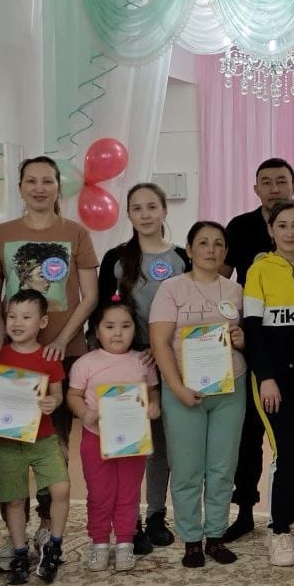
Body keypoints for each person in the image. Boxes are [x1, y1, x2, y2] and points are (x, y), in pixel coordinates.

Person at [0, 156, 98, 557]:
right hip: (14, 359)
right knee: (11, 442)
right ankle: (14, 533)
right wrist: (0, 337)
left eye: (47, 181)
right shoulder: (2, 233)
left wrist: (63, 339)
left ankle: (48, 525)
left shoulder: (76, 233)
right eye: (31, 181)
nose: (39, 188)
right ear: (20, 187)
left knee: (55, 444)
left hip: (62, 356)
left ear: (58, 187)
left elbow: (90, 296)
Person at [222, 159, 294, 540]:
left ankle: (290, 505)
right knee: (252, 443)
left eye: (281, 181)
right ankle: (249, 513)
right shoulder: (244, 237)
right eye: (265, 182)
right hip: (261, 363)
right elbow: (225, 287)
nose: (273, 188)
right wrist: (261, 369)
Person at [149, 221, 247, 568]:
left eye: (218, 244)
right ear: (189, 250)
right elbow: (160, 343)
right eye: (203, 243)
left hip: (229, 388)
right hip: (184, 390)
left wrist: (242, 340)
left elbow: (248, 336)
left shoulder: (235, 290)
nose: (211, 249)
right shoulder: (171, 289)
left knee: (222, 467)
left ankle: (216, 536)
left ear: (225, 251)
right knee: (187, 468)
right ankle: (191, 539)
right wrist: (177, 388)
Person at [96, 182, 188, 552]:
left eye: (152, 206)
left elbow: (189, 312)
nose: (145, 214)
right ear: (129, 215)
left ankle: (155, 515)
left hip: (171, 363)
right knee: (130, 445)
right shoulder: (115, 259)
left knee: (162, 445)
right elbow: (104, 315)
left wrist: (162, 347)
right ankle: (128, 520)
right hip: (129, 366)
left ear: (164, 210)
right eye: (137, 208)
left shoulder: (182, 258)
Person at [241, 199, 294, 566]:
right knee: (286, 452)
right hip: (273, 381)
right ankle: (277, 532)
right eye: (282, 226)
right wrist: (266, 378)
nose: (290, 232)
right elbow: (253, 331)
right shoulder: (258, 271)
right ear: (271, 230)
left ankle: (287, 525)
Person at [0, 289, 70, 585]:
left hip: (43, 439)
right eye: (12, 316)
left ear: (42, 322)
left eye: (26, 317)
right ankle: (19, 551)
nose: (17, 323)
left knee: (61, 488)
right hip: (6, 441)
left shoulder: (49, 356)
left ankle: (54, 544)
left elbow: (58, 394)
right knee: (14, 500)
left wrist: (52, 402)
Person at [67, 298, 161, 572]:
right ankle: (99, 542)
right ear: (97, 331)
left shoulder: (142, 361)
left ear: (135, 329)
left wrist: (154, 406)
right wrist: (84, 412)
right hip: (95, 439)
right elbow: (73, 395)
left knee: (128, 493)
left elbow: (152, 391)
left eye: (125, 326)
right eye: (109, 326)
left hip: (133, 440)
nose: (117, 333)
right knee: (100, 493)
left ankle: (124, 542)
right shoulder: (85, 363)